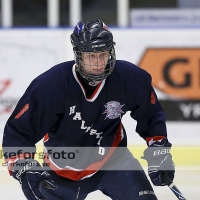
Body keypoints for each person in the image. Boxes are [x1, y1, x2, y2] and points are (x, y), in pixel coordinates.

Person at [2, 19, 175, 200]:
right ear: (78, 55)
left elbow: (151, 114)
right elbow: (19, 131)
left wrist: (159, 150)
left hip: (114, 162)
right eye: (91, 56)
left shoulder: (130, 79)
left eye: (103, 54)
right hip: (59, 171)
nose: (98, 62)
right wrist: (23, 168)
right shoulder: (51, 86)